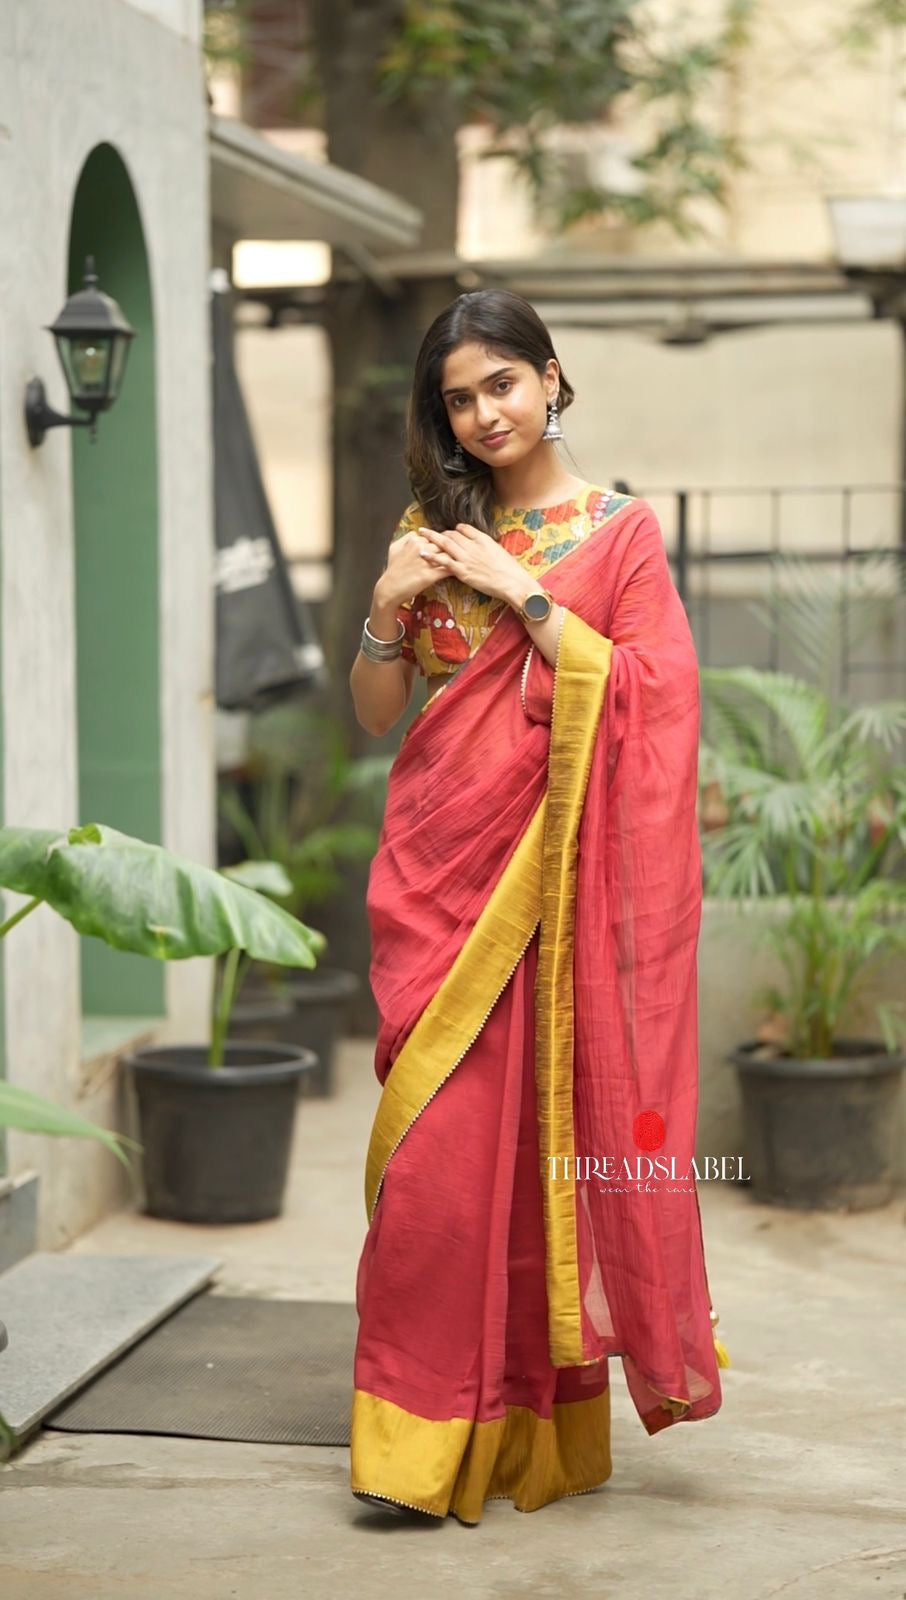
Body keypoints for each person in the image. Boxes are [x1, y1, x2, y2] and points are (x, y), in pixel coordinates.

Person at [347, 288, 729, 1527]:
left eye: (501, 384)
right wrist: (386, 605)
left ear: (552, 379)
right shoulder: (429, 525)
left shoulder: (618, 535)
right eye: (457, 399)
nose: (483, 413)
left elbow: (653, 703)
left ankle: (520, 1434)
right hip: (434, 881)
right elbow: (374, 711)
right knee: (432, 1173)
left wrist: (523, 590)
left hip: (552, 895)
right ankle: (411, 1439)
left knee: (521, 1175)